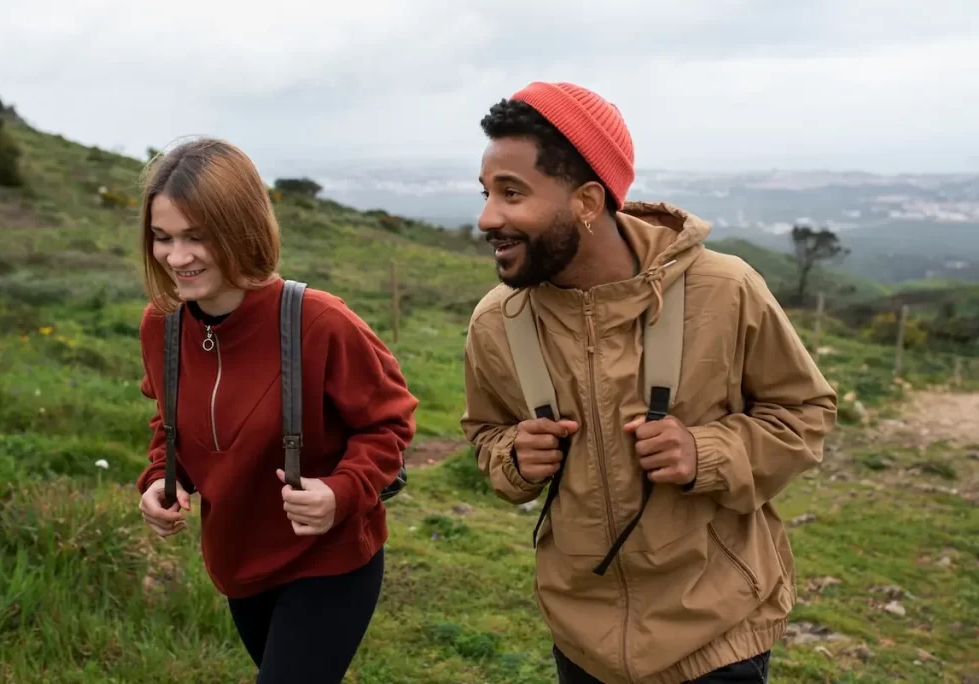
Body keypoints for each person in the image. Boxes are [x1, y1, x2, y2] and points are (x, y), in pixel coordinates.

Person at [461, 82, 837, 683]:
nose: (487, 217)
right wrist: (513, 456)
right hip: (580, 637)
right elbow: (486, 432)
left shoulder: (726, 289)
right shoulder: (496, 322)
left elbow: (806, 412)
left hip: (717, 635)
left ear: (587, 201)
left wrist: (705, 451)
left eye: (512, 193)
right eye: (485, 193)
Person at [134, 138, 418, 683]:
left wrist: (342, 492)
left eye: (198, 236)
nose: (177, 257)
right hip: (238, 562)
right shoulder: (161, 325)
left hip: (330, 561)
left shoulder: (320, 321)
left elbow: (390, 423)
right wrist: (158, 479)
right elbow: (170, 424)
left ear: (242, 228)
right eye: (163, 237)